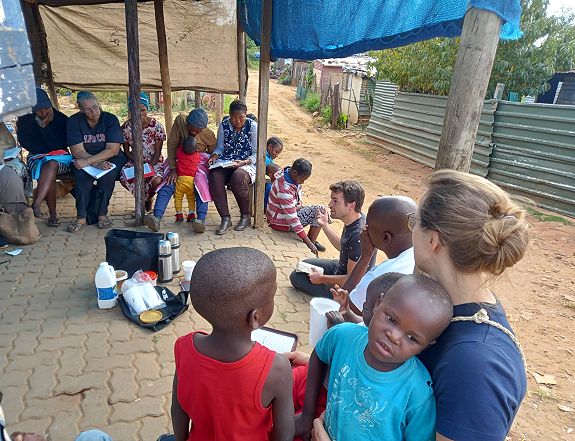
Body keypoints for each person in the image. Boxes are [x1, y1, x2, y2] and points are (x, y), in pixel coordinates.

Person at [411, 170, 529, 440]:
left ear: (433, 240)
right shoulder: (447, 311)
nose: (412, 230)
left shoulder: (476, 364)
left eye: (415, 221)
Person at [297, 275, 453, 441]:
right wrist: (307, 414)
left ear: (426, 346)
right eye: (392, 320)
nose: (394, 337)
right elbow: (319, 355)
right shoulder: (342, 336)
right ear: (379, 303)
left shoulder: (417, 394)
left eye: (412, 338)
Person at [170, 247, 294, 441]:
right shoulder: (277, 368)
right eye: (272, 296)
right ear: (255, 317)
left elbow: (178, 410)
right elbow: (285, 435)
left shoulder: (183, 348)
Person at [290, 180, 372, 298]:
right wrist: (324, 225)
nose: (330, 205)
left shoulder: (358, 235)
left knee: (296, 277)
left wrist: (322, 279)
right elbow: (342, 246)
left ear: (351, 205)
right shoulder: (356, 219)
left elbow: (352, 279)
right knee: (303, 266)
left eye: (335, 201)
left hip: (347, 287)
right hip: (341, 268)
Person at [340, 196, 417, 315]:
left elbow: (343, 305)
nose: (363, 229)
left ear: (385, 238)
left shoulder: (378, 277)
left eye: (367, 226)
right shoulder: (418, 257)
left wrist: (365, 257)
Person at [144, 108, 216, 234]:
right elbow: (171, 145)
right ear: (187, 122)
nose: (193, 132)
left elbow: (213, 154)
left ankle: (200, 220)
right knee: (167, 185)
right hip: (177, 162)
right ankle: (156, 217)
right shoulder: (180, 121)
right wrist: (173, 168)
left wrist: (201, 164)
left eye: (197, 131)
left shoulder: (209, 135)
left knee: (201, 187)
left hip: (197, 166)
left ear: (203, 129)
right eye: (191, 128)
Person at [66, 91, 126, 232]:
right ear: (81, 110)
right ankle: (81, 216)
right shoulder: (74, 121)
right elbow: (77, 150)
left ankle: (102, 215)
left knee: (108, 176)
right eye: (88, 109)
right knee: (81, 177)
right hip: (86, 158)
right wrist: (95, 163)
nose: (93, 111)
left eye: (95, 106)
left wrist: (90, 162)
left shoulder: (109, 119)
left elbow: (113, 149)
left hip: (111, 157)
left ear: (98, 103)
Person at [16, 88, 72, 226]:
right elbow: (26, 143)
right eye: (38, 109)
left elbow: (60, 144)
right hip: (37, 157)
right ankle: (52, 215)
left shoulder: (62, 120)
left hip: (61, 158)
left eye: (46, 108)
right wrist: (45, 150)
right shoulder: (24, 120)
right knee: (49, 168)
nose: (43, 112)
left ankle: (37, 205)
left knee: (51, 164)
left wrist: (45, 128)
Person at [208, 100, 257, 234]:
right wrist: (214, 156)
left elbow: (257, 153)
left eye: (241, 117)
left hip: (247, 163)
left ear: (246, 114)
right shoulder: (223, 125)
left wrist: (244, 162)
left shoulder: (252, 126)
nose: (238, 121)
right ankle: (225, 218)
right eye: (234, 118)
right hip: (227, 162)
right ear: (229, 115)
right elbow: (220, 148)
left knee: (238, 177)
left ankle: (245, 216)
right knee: (214, 176)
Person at [267, 158, 326, 256]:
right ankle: (310, 243)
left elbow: (298, 192)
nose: (302, 182)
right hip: (278, 222)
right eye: (302, 179)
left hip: (285, 214)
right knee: (318, 211)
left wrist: (299, 203)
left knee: (320, 210)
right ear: (294, 173)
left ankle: (311, 241)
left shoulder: (289, 176)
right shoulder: (284, 189)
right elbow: (293, 220)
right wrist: (307, 242)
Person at [119, 92, 166, 212]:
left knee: (157, 180)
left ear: (147, 109)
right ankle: (142, 200)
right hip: (134, 161)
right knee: (124, 179)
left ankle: (147, 198)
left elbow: (157, 152)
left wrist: (148, 167)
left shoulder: (156, 127)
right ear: (130, 111)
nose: (140, 114)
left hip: (153, 162)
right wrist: (137, 164)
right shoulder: (126, 127)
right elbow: (127, 152)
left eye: (143, 110)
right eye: (135, 111)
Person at [326, 272, 404, 327]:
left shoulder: (372, 344)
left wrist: (337, 329)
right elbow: (361, 323)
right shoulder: (372, 328)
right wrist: (347, 311)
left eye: (367, 305)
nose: (364, 305)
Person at [173, 137, 199, 222]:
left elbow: (178, 150)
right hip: (191, 181)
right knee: (191, 197)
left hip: (180, 180)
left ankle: (179, 214)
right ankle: (191, 214)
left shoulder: (179, 153)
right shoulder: (196, 156)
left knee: (178, 197)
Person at [264, 136, 284, 210]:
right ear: (270, 147)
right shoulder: (265, 159)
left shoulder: (268, 158)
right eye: (276, 151)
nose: (277, 155)